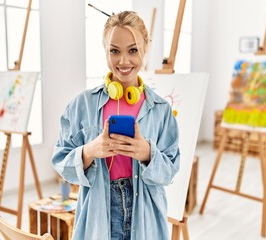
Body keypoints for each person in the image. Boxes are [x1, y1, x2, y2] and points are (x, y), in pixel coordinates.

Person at [52, 11, 180, 240]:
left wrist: (148, 153)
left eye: (133, 50)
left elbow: (170, 172)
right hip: (98, 211)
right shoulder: (81, 104)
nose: (123, 61)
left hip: (146, 214)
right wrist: (89, 151)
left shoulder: (161, 109)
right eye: (114, 51)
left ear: (145, 49)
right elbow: (61, 162)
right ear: (105, 51)